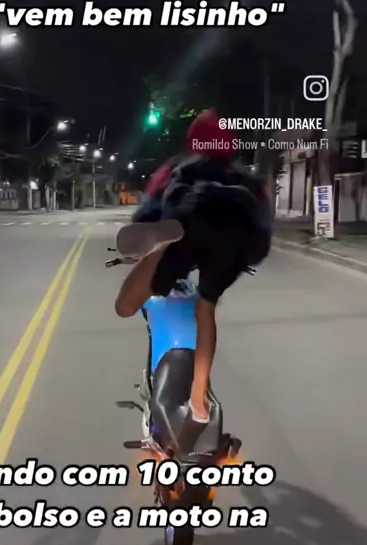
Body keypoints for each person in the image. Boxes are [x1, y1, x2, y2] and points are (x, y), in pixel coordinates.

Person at [114, 109, 272, 423]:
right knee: (206, 309)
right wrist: (249, 252)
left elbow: (148, 207)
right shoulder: (244, 177)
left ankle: (160, 248)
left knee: (126, 305)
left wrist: (149, 223)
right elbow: (264, 218)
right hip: (238, 234)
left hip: (191, 218)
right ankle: (199, 401)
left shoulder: (179, 167)